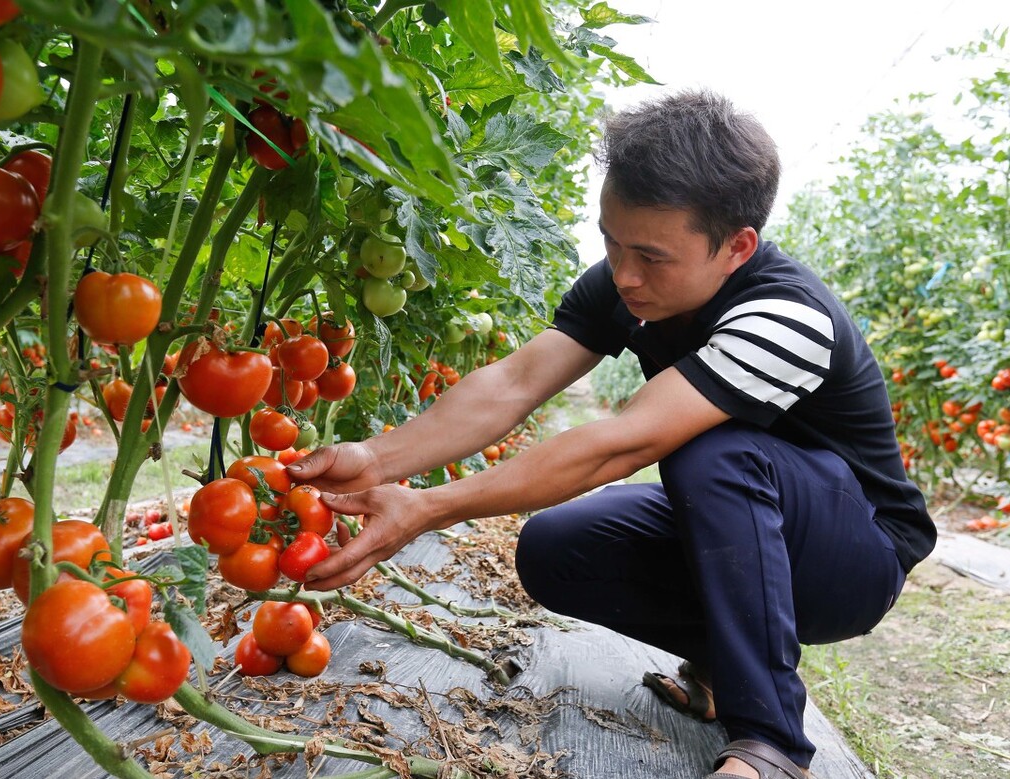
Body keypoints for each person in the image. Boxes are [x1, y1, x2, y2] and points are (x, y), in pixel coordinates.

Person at [288, 90, 935, 779]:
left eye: (651, 257)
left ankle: (771, 742)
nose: (624, 274)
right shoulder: (628, 282)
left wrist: (427, 507)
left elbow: (626, 440)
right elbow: (516, 381)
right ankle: (720, 663)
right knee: (554, 548)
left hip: (856, 555)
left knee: (711, 448)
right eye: (611, 241)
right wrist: (375, 458)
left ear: (737, 246)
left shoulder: (786, 315)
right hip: (758, 517)